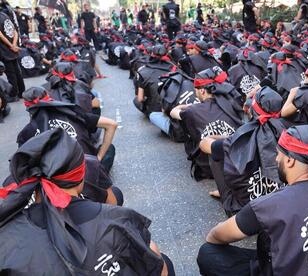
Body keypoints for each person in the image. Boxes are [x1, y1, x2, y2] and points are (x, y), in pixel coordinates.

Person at [197, 125, 308, 275]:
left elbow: (216, 236)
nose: (275, 158)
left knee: (208, 253)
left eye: (278, 154)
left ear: (290, 161)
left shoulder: (270, 204)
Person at [0, 128, 174, 275]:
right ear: (81, 173)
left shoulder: (6, 231)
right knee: (161, 259)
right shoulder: (115, 219)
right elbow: (159, 269)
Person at [200, 87, 285, 215]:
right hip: (280, 201)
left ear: (251, 110)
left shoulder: (236, 140)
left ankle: (226, 192)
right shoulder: (289, 132)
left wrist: (229, 137)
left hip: (245, 209)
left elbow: (204, 144)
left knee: (215, 152)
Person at [17, 87, 117, 172]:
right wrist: (98, 158)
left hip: (56, 182)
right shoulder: (73, 112)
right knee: (109, 148)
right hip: (86, 171)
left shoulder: (26, 133)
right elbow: (112, 124)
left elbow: (22, 163)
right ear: (49, 96)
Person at [170, 67, 243, 180]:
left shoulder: (192, 110)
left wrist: (187, 106)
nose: (195, 93)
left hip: (210, 168)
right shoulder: (232, 101)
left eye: (196, 90)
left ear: (202, 91)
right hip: (239, 162)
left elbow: (173, 112)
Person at [0, 4, 25, 99]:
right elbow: (15, 31)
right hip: (12, 48)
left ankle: (14, 94)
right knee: (17, 71)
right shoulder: (4, 15)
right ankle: (22, 91)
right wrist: (14, 45)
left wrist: (11, 46)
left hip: (4, 49)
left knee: (11, 73)